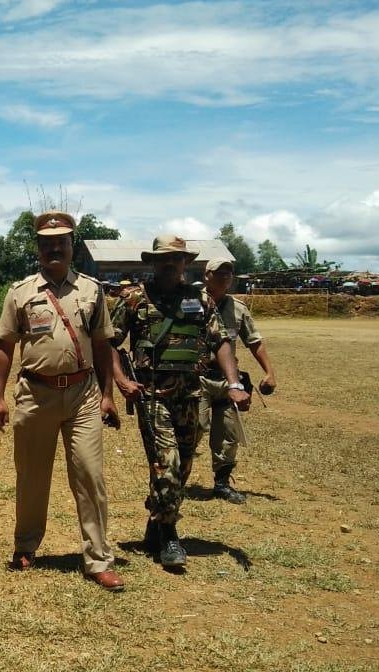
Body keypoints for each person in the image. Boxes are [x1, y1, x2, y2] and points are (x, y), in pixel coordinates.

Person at [0, 211, 125, 591]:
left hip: (83, 395)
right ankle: (26, 545)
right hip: (35, 394)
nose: (54, 248)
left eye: (61, 242)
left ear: (71, 247)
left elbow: (102, 344)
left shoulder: (92, 290)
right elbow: (4, 346)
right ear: (38, 248)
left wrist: (108, 395)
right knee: (32, 477)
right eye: (47, 243)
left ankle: (98, 559)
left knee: (90, 476)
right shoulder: (21, 293)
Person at [110, 235, 249, 568]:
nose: (170, 264)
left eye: (176, 258)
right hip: (152, 395)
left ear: (186, 263)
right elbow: (108, 343)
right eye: (163, 259)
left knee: (183, 465)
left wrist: (233, 382)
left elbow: (221, 342)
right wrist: (120, 380)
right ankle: (170, 537)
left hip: (190, 395)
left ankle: (156, 522)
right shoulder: (133, 299)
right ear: (153, 262)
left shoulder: (201, 300)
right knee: (167, 462)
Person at [198, 258, 278, 504]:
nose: (225, 277)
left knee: (228, 434)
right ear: (207, 275)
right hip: (196, 377)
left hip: (227, 380)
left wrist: (269, 372)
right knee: (194, 427)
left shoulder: (238, 308)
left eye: (229, 273)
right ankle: (177, 478)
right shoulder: (191, 302)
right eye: (219, 273)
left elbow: (254, 341)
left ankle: (221, 484)